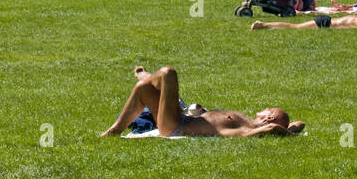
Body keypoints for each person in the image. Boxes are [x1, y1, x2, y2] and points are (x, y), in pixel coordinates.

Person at [100, 65, 305, 138]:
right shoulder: (247, 121)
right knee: (144, 89)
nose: (265, 107)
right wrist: (293, 129)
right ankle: (115, 130)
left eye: (270, 109)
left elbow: (273, 130)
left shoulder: (247, 129)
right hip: (182, 118)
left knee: (168, 73)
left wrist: (286, 131)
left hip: (176, 126)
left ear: (270, 118)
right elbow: (299, 123)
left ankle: (146, 76)